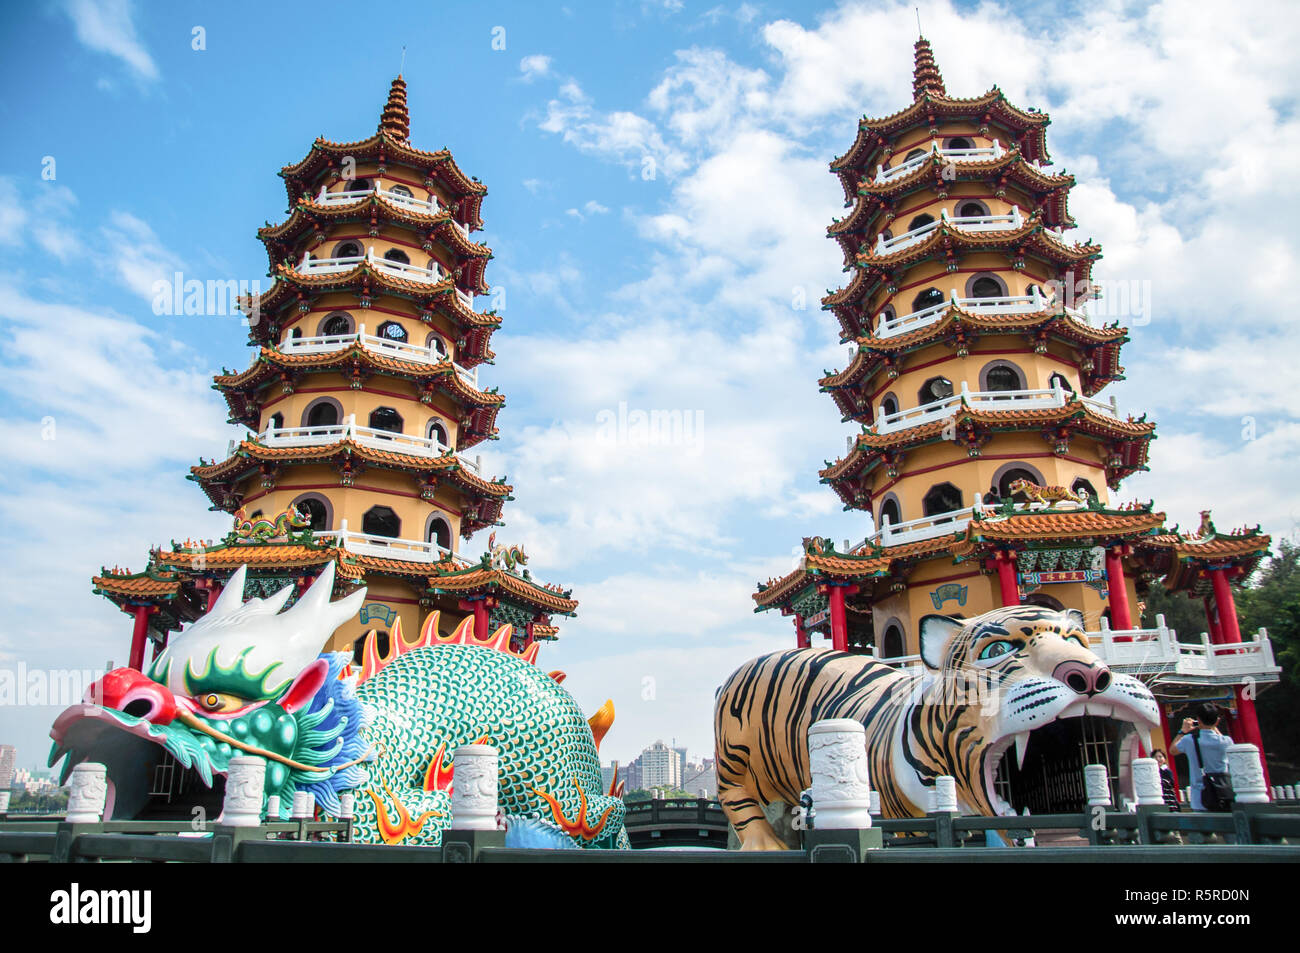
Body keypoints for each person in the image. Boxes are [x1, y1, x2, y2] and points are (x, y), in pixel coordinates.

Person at [1172, 702, 1233, 811]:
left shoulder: (1189, 740)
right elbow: (1220, 737)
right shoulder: (1226, 741)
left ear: (1198, 720)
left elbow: (1173, 750)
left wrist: (1182, 731)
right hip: (1223, 796)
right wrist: (1213, 726)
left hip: (1200, 799)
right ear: (1217, 721)